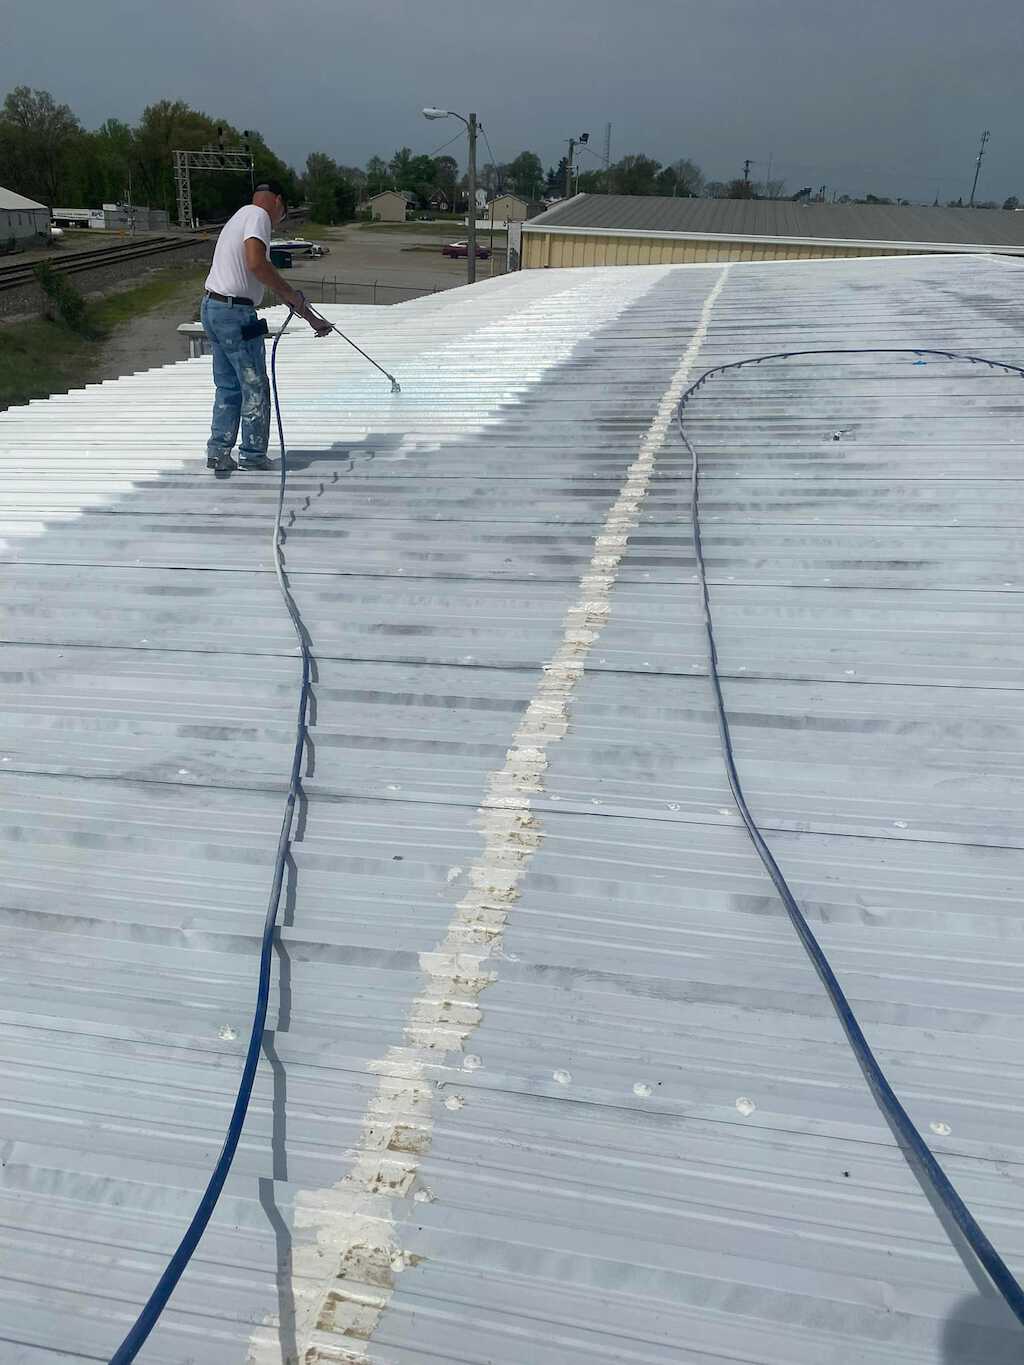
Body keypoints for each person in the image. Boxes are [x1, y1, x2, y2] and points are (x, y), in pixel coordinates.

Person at [201, 180, 331, 473]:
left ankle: (218, 452)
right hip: (235, 314)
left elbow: (252, 273)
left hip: (213, 307)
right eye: (282, 214)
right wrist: (291, 295)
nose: (279, 220)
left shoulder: (239, 216)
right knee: (254, 386)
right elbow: (257, 265)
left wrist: (310, 318)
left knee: (228, 386)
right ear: (278, 201)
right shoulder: (258, 216)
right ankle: (253, 455)